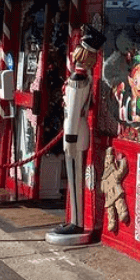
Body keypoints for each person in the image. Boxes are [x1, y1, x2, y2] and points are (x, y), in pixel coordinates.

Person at [47, 24, 105, 245]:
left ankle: (77, 222)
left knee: (75, 178)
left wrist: (69, 137)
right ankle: (74, 219)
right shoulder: (83, 78)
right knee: (73, 178)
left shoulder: (78, 80)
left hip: (75, 133)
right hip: (76, 130)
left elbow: (72, 112)